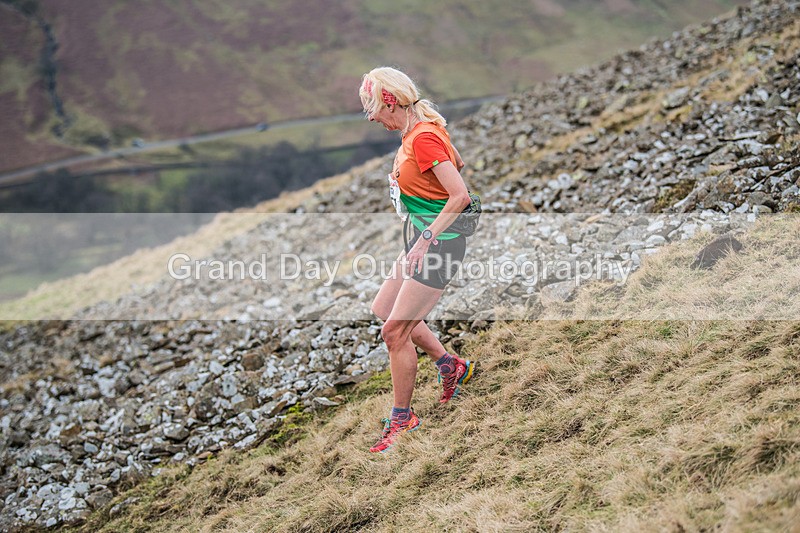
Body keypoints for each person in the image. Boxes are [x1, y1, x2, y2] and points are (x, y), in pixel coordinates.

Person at [359, 67, 476, 453]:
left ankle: (402, 419)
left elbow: (459, 196)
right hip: (423, 238)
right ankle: (449, 365)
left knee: (394, 333)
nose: (371, 116)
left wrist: (427, 237)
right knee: (383, 308)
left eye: (371, 107)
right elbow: (455, 161)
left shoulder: (422, 136)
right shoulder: (417, 129)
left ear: (389, 100)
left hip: (439, 243)